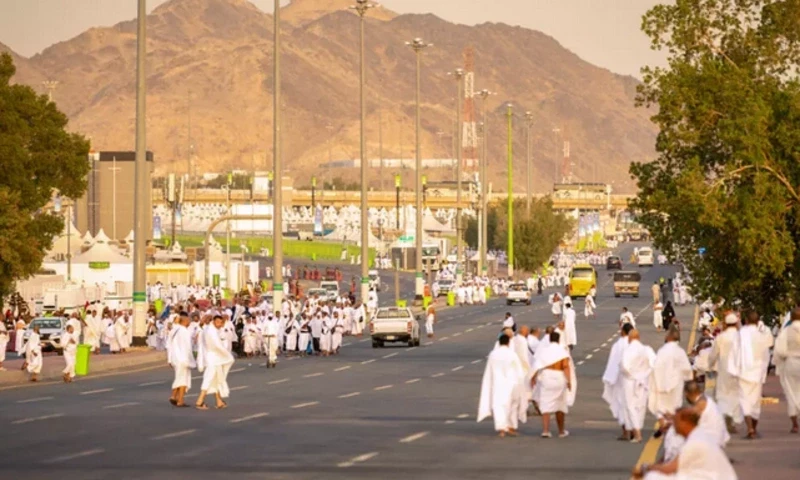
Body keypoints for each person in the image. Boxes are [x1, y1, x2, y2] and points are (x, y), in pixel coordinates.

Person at [631, 408, 737, 479]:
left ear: (685, 422)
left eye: (676, 421)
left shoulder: (695, 442)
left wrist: (645, 468)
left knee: (653, 477)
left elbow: (669, 469)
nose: (674, 425)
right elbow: (669, 461)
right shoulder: (696, 435)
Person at [649, 327, 693, 461]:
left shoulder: (662, 351)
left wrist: (655, 382)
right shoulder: (680, 352)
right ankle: (669, 428)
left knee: (660, 408)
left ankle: (663, 425)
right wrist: (688, 380)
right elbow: (687, 370)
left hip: (661, 384)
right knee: (674, 408)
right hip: (676, 386)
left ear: (669, 337)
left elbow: (655, 367)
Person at [730, 310, 774, 439]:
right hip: (758, 371)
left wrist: (734, 370)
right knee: (755, 401)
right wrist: (764, 372)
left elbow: (735, 353)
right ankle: (754, 428)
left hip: (744, 371)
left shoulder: (741, 334)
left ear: (746, 321)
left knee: (745, 400)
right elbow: (766, 354)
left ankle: (750, 428)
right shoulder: (762, 335)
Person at [477, 333, 528, 437]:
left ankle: (501, 429)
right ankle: (511, 426)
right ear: (509, 342)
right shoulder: (512, 354)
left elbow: (489, 370)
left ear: (499, 343)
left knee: (499, 406)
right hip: (512, 384)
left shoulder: (493, 354)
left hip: (498, 384)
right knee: (513, 405)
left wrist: (489, 383)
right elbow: (518, 370)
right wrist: (521, 382)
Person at [530, 331, 576, 438]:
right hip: (559, 377)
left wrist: (533, 377)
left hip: (546, 377)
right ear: (559, 339)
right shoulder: (562, 352)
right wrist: (569, 381)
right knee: (560, 405)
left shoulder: (544, 351)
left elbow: (537, 364)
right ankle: (561, 431)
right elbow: (565, 366)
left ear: (549, 339)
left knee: (545, 403)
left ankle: (545, 431)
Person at [708, 313, 743, 433]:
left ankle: (726, 421)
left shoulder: (721, 337)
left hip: (724, 370)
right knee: (735, 395)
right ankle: (731, 421)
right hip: (738, 370)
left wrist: (710, 365)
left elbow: (713, 355)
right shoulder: (741, 337)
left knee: (723, 396)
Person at [621, 329, 656, 443]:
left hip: (630, 381)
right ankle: (638, 429)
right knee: (641, 406)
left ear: (630, 338)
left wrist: (632, 375)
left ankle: (637, 433)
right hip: (643, 381)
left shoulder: (628, 350)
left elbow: (624, 367)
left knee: (630, 406)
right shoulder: (646, 349)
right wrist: (644, 374)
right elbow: (654, 364)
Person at [195, 315, 234, 410]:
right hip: (212, 358)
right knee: (209, 378)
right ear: (214, 321)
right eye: (218, 322)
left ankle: (219, 401)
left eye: (221, 323)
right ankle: (199, 401)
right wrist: (227, 355)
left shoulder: (211, 329)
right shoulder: (210, 331)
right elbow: (216, 345)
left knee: (217, 379)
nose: (220, 324)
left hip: (214, 357)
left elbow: (221, 338)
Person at [602, 323, 634, 440]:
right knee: (633, 405)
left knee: (622, 405)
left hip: (621, 379)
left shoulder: (618, 345)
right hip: (634, 379)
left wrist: (610, 378)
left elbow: (613, 362)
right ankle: (634, 431)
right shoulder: (635, 344)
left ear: (623, 332)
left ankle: (626, 432)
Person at [774, 308, 800, 433]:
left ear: (791, 318)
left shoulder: (786, 331)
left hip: (791, 362)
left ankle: (795, 424)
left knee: (791, 391)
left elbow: (779, 350)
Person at [684, 380, 730, 449]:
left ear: (686, 394)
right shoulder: (705, 398)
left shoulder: (700, 404)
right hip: (716, 438)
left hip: (713, 441)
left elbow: (689, 422)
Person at [168, 313, 196, 408]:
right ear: (185, 321)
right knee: (183, 379)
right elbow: (187, 347)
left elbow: (169, 345)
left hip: (175, 358)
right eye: (188, 321)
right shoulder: (184, 331)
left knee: (180, 377)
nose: (189, 322)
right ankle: (179, 400)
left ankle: (175, 397)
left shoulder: (174, 330)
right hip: (183, 358)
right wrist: (191, 360)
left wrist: (169, 359)